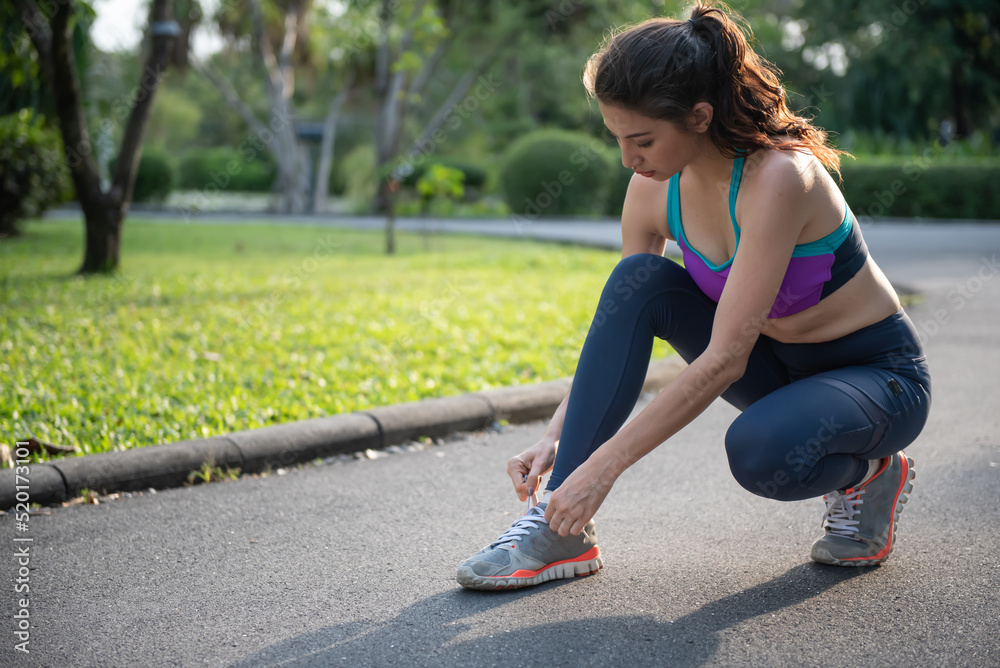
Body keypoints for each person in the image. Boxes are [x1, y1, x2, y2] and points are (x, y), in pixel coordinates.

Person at [456, 3, 931, 591]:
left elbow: (727, 357)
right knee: (637, 283)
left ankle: (871, 474)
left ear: (700, 116)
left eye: (644, 140)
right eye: (619, 140)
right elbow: (618, 327)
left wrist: (603, 469)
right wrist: (558, 436)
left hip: (875, 378)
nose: (629, 159)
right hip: (776, 371)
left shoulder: (780, 177)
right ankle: (558, 528)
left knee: (760, 452)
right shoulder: (652, 190)